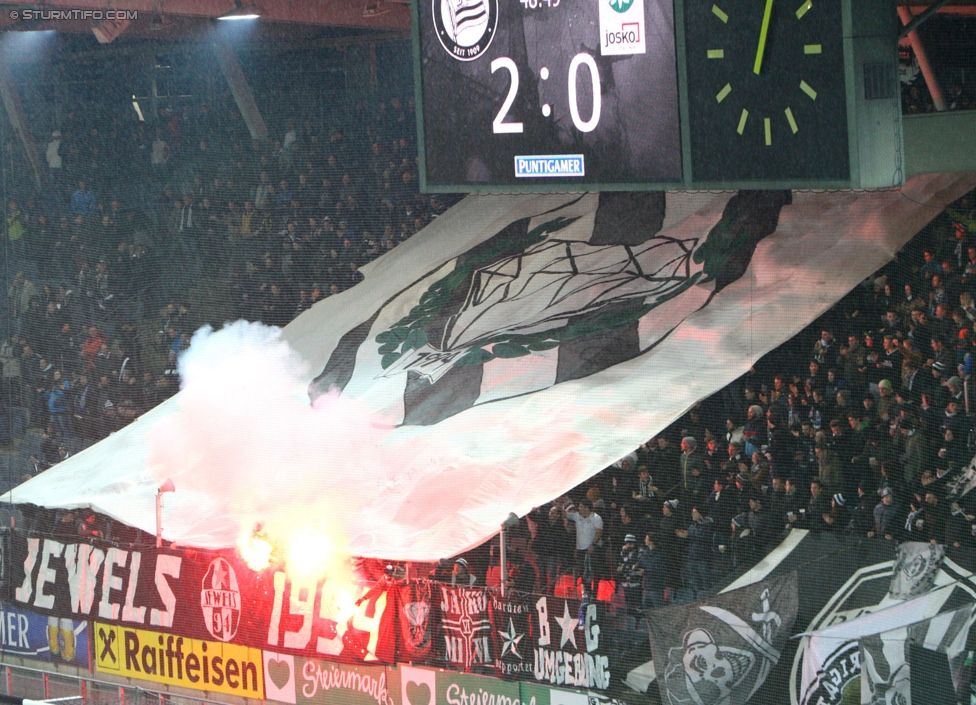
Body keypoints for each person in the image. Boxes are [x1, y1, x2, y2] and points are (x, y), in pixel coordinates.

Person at [565, 499, 604, 589]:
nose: (579, 508)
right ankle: (586, 591)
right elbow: (565, 515)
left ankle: (594, 594)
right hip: (580, 549)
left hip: (592, 550)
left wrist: (593, 544)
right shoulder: (577, 516)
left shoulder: (596, 518)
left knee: (594, 571)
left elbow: (599, 532)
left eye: (581, 506)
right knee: (583, 571)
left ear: (587, 508)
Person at [636, 532, 667, 610]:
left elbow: (659, 569)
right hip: (646, 588)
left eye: (646, 539)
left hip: (656, 588)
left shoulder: (660, 554)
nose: (645, 540)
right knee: (647, 611)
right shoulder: (645, 553)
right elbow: (641, 562)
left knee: (658, 610)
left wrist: (645, 571)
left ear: (651, 541)